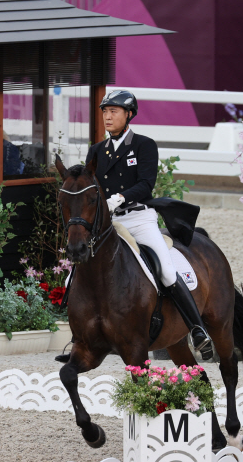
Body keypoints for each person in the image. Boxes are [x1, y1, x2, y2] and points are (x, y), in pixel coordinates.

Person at [87, 90, 213, 360]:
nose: (108, 116)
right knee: (81, 267)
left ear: (129, 115)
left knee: (166, 269)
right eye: (105, 112)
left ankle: (197, 330)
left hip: (138, 218)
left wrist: (119, 198)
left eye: (114, 111)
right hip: (111, 222)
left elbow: (146, 184)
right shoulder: (97, 151)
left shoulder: (144, 145)